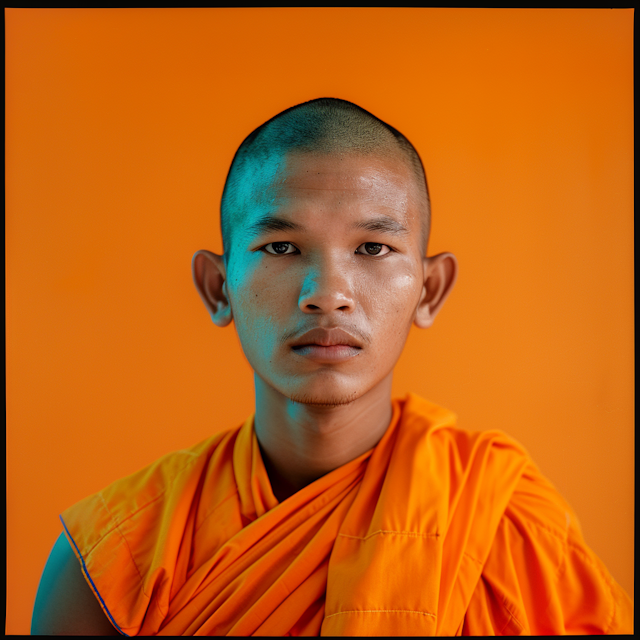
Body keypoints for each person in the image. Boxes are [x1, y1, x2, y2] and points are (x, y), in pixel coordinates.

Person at [31, 98, 633, 636]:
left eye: (372, 248)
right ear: (219, 288)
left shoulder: (509, 529)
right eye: (282, 247)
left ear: (429, 290)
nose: (327, 294)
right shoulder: (115, 560)